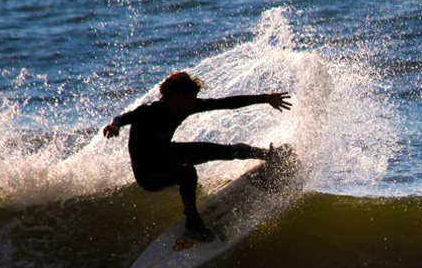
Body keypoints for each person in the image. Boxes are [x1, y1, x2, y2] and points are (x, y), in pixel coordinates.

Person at [103, 71, 292, 240]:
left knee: (227, 150)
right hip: (149, 173)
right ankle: (192, 221)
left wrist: (265, 98)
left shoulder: (185, 106)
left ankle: (270, 156)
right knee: (188, 173)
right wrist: (115, 126)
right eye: (190, 99)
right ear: (176, 96)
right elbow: (123, 117)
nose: (193, 104)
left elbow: (226, 103)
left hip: (167, 154)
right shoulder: (149, 111)